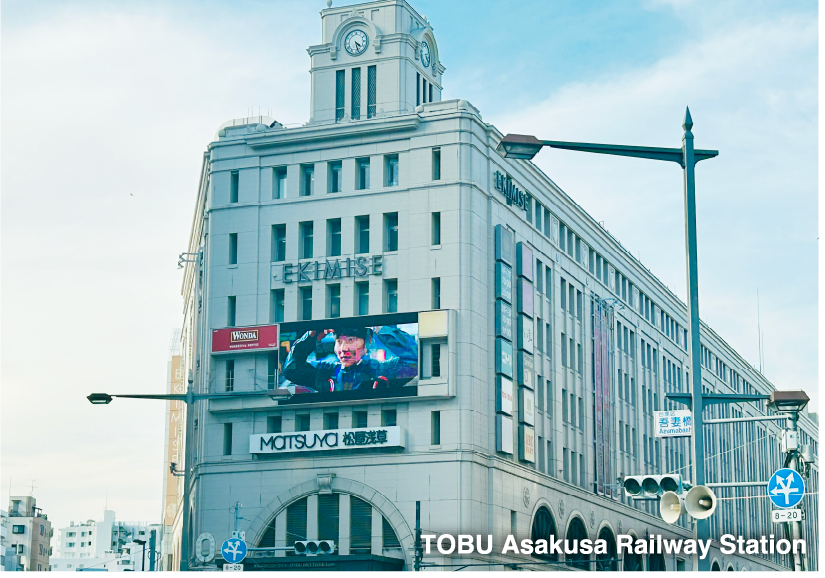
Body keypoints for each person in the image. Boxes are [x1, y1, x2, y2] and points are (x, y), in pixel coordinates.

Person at [282, 326, 417, 392]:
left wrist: (380, 328)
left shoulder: (382, 369)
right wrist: (310, 337)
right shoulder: (326, 371)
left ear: (368, 341)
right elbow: (291, 370)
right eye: (339, 341)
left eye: (351, 340)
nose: (343, 348)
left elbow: (416, 361)